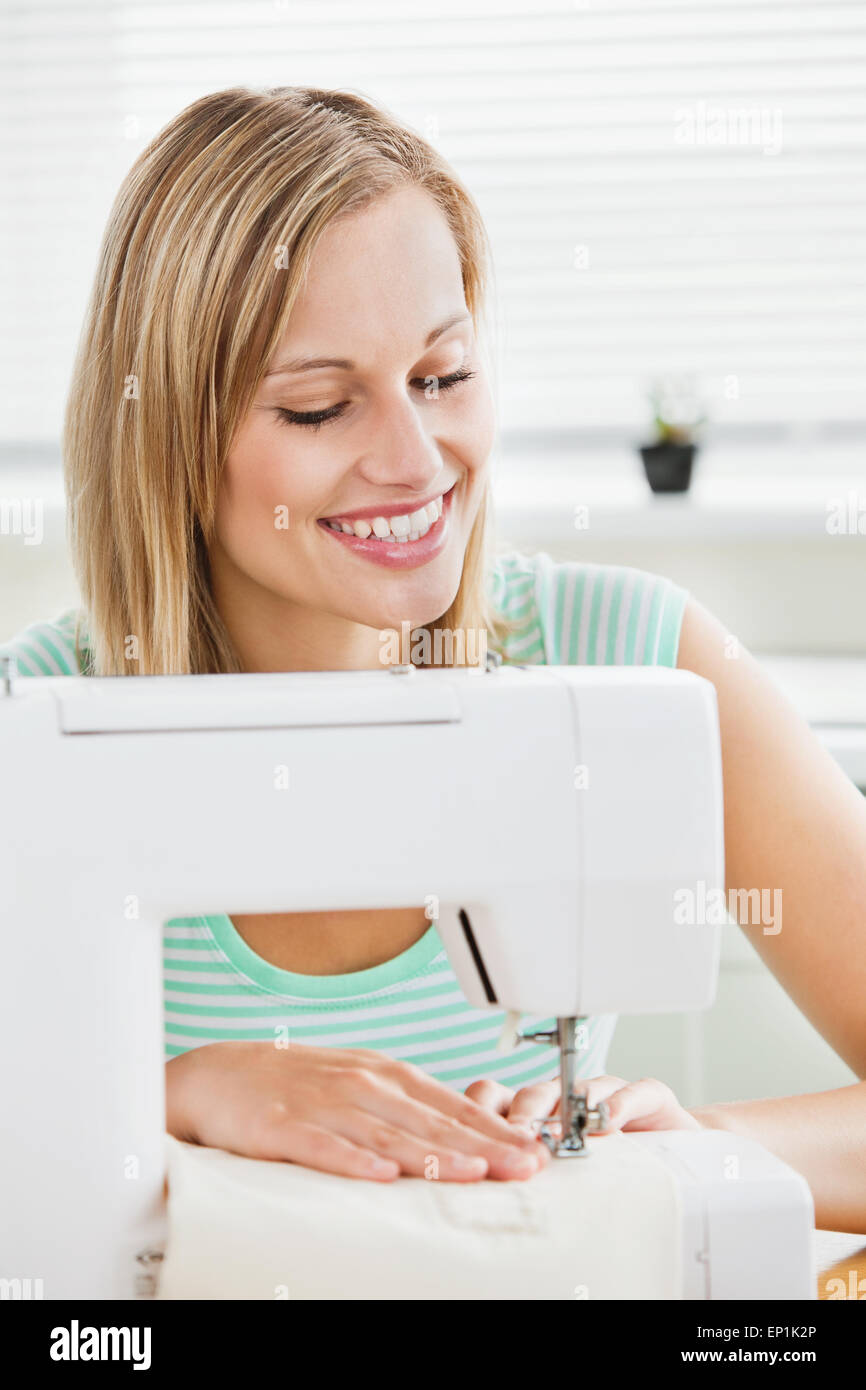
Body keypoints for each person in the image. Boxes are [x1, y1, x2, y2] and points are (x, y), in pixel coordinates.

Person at [5, 86, 865, 1228]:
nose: (415, 462)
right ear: (166, 436)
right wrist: (167, 1095)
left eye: (440, 375)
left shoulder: (633, 659)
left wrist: (692, 1151)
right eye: (318, 408)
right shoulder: (36, 729)